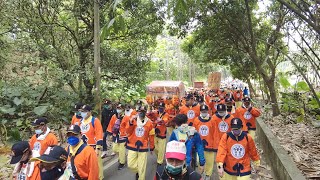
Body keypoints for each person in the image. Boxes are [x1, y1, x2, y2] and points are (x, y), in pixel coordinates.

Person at [72, 104, 104, 179]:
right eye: (81, 111)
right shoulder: (80, 122)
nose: (82, 113)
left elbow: (99, 133)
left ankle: (100, 177)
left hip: (93, 147)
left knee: (96, 164)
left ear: (89, 112)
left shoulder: (95, 121)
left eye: (84, 111)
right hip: (83, 148)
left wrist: (98, 148)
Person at [126, 105, 155, 180]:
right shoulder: (133, 119)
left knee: (142, 167)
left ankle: (141, 176)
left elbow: (151, 136)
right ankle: (138, 171)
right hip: (132, 145)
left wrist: (151, 147)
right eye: (140, 111)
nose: (141, 113)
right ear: (137, 112)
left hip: (143, 147)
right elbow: (127, 131)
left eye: (143, 111)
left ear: (145, 112)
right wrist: (131, 121)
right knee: (130, 165)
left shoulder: (149, 123)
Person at [193, 105, 217, 179]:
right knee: (199, 161)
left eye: (205, 111)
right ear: (200, 112)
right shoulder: (196, 120)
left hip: (210, 145)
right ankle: (200, 174)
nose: (204, 113)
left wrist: (215, 146)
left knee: (209, 162)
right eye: (202, 111)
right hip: (199, 145)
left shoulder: (212, 120)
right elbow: (194, 132)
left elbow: (215, 133)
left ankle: (208, 175)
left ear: (208, 111)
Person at [106, 103, 129, 170]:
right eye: (117, 108)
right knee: (115, 149)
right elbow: (111, 125)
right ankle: (122, 156)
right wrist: (110, 134)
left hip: (123, 136)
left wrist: (128, 136)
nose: (118, 110)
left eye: (120, 108)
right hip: (115, 135)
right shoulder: (114, 116)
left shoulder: (126, 118)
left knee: (122, 150)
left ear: (123, 109)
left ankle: (122, 162)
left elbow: (128, 127)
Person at [154, 102, 170, 166]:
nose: (160, 109)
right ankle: (160, 156)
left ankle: (159, 161)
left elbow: (164, 121)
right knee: (154, 148)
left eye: (162, 108)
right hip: (154, 133)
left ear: (164, 108)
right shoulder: (155, 113)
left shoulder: (166, 114)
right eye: (159, 108)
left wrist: (158, 120)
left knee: (161, 149)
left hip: (162, 134)